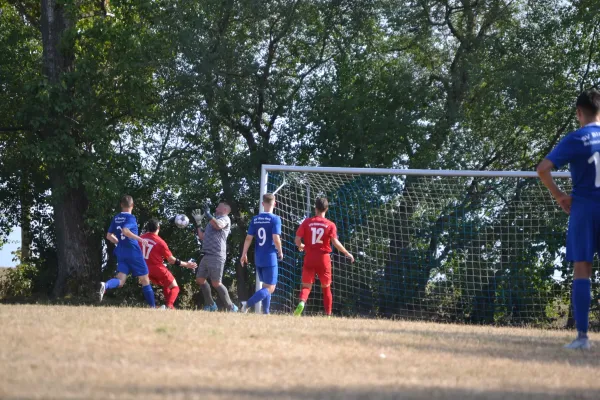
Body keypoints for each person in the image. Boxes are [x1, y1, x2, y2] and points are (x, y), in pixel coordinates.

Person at [537, 89, 600, 350]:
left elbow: (542, 169)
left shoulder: (577, 138)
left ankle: (583, 338)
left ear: (578, 113)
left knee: (582, 268)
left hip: (584, 209)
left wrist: (560, 196)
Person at [293, 197, 354, 317]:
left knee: (306, 286)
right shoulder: (330, 225)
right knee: (326, 287)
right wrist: (347, 253)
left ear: (315, 208)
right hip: (323, 258)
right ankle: (328, 314)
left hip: (310, 256)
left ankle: (302, 302)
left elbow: (297, 240)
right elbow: (335, 242)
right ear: (326, 209)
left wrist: (301, 246)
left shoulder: (307, 222)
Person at [99, 195, 155, 308]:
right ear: (132, 206)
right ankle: (153, 308)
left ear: (121, 205)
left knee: (121, 281)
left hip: (121, 251)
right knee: (145, 279)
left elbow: (109, 236)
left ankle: (106, 285)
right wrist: (140, 239)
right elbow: (125, 230)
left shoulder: (116, 218)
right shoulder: (131, 218)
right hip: (132, 251)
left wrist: (118, 242)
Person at [240, 194, 283, 314]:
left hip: (258, 257)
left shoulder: (255, 219)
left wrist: (244, 254)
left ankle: (266, 312)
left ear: (263, 204)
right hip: (270, 257)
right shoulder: (275, 219)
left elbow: (248, 238)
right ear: (274, 204)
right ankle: (247, 304)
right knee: (270, 287)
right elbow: (275, 237)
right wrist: (280, 251)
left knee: (265, 285)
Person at [140, 219, 197, 309]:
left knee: (166, 285)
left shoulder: (140, 238)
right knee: (175, 287)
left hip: (144, 269)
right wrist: (186, 264)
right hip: (157, 268)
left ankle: (164, 306)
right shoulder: (160, 242)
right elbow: (171, 260)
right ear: (158, 228)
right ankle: (169, 306)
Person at [192, 202, 238, 312]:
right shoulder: (211, 222)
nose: (216, 208)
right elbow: (202, 237)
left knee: (216, 283)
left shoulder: (225, 219)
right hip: (207, 254)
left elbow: (218, 225)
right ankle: (211, 305)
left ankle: (232, 307)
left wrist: (208, 214)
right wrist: (198, 223)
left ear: (225, 210)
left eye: (219, 207)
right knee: (200, 279)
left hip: (217, 255)